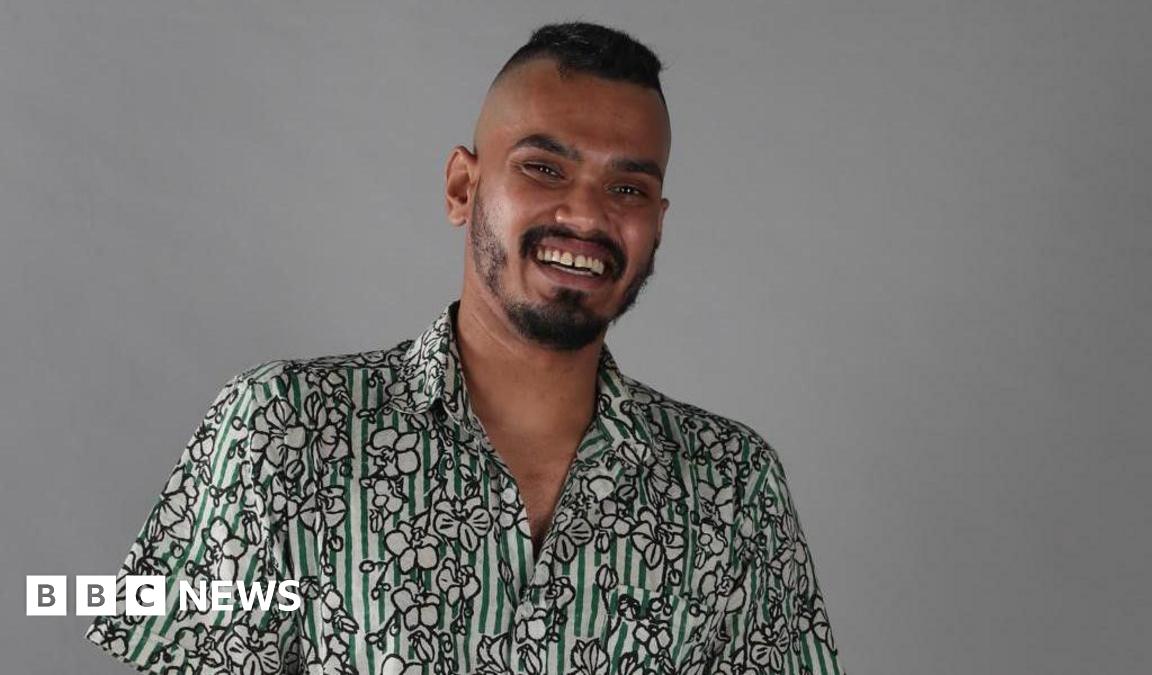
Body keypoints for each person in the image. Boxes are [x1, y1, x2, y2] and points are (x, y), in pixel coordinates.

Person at [86, 21, 846, 675]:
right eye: (544, 168)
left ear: (658, 223)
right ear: (462, 187)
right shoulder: (285, 428)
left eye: (628, 188)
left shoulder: (731, 487)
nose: (586, 215)